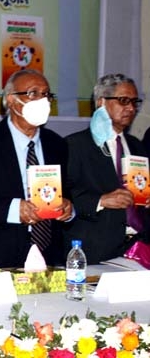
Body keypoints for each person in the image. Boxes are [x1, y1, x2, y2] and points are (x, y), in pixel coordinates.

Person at [0, 69, 73, 270]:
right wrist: (12, 209)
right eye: (33, 93)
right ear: (11, 100)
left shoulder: (57, 144)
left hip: (48, 259)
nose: (42, 101)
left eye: (46, 95)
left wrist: (70, 208)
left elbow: (67, 192)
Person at [65, 74, 148, 264]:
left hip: (137, 247)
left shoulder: (137, 146)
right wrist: (100, 200)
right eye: (124, 100)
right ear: (101, 102)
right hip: (93, 249)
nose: (131, 108)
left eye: (135, 102)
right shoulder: (75, 145)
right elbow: (63, 196)